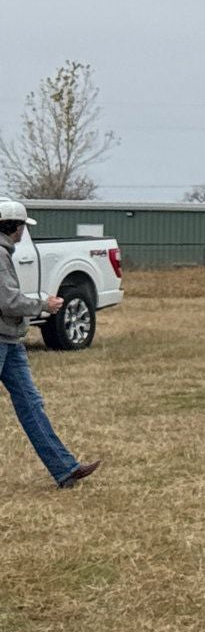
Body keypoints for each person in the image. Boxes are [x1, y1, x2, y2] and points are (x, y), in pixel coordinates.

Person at [0, 199, 100, 489]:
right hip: (3, 338)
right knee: (31, 405)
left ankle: (65, 470)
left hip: (10, 340)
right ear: (14, 227)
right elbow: (8, 301)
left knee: (31, 405)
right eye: (22, 227)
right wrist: (44, 304)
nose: (23, 233)